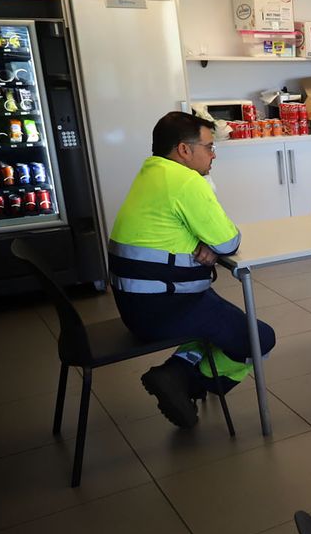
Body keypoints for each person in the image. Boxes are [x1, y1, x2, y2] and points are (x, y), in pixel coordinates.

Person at [109, 112, 274, 429]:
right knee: (259, 339)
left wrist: (208, 242)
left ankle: (176, 375)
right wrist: (214, 243)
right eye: (210, 147)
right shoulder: (186, 181)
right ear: (184, 150)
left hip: (135, 305)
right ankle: (183, 382)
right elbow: (228, 241)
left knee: (225, 325)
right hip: (167, 307)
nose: (213, 155)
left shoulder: (152, 173)